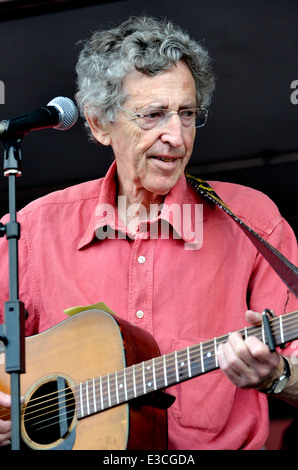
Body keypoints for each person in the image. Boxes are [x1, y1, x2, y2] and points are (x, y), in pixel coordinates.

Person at [0, 15, 297, 450]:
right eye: (153, 115)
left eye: (187, 114)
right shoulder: (32, 229)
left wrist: (277, 376)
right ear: (100, 124)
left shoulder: (254, 218)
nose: (176, 137)